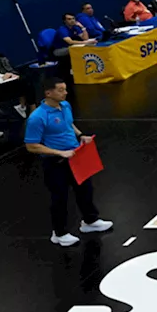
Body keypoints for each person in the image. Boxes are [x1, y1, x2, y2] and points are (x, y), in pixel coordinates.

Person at [24, 77, 113, 247]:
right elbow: (32, 146)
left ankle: (90, 221)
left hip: (75, 156)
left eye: (65, 89)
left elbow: (69, 125)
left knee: (85, 190)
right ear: (48, 93)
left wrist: (80, 136)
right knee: (60, 198)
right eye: (61, 90)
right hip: (55, 163)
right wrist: (60, 152)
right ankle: (59, 233)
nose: (65, 92)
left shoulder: (65, 106)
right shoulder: (37, 117)